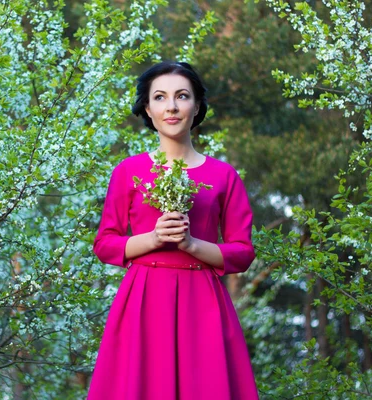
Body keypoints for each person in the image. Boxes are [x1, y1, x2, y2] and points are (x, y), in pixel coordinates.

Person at [87, 61, 259, 400]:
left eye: (182, 96)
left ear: (196, 107)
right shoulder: (128, 171)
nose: (172, 106)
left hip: (203, 301)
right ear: (147, 109)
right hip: (143, 300)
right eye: (161, 97)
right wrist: (153, 238)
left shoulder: (224, 176)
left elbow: (242, 252)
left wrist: (192, 244)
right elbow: (105, 244)